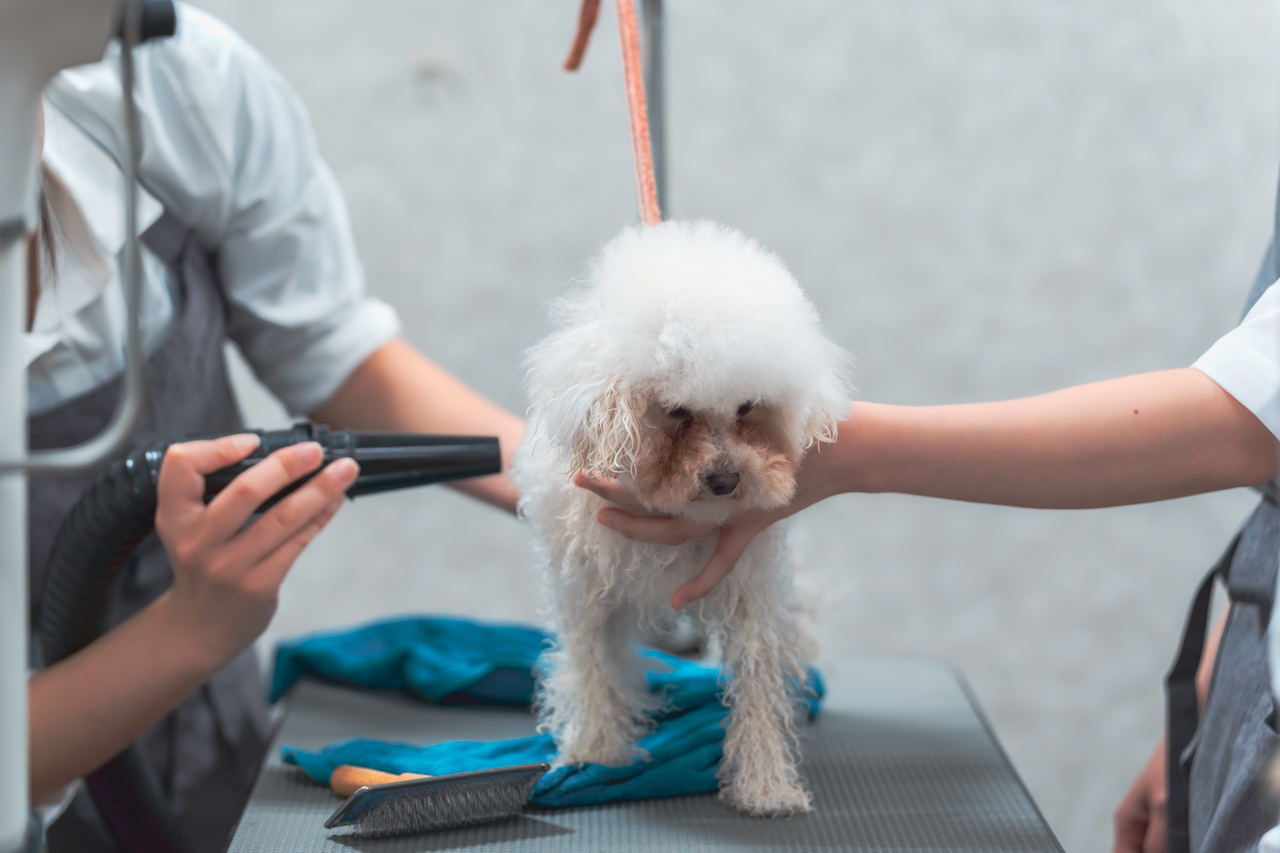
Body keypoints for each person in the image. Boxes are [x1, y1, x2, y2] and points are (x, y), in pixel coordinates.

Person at [578, 146, 1280, 853]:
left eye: (744, 412)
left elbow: (1248, 425)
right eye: (681, 417)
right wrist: (1217, 685)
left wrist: (846, 451)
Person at [25, 5, 523, 852]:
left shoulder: (169, 80)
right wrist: (193, 627)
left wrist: (561, 479)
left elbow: (327, 349)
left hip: (205, 736)